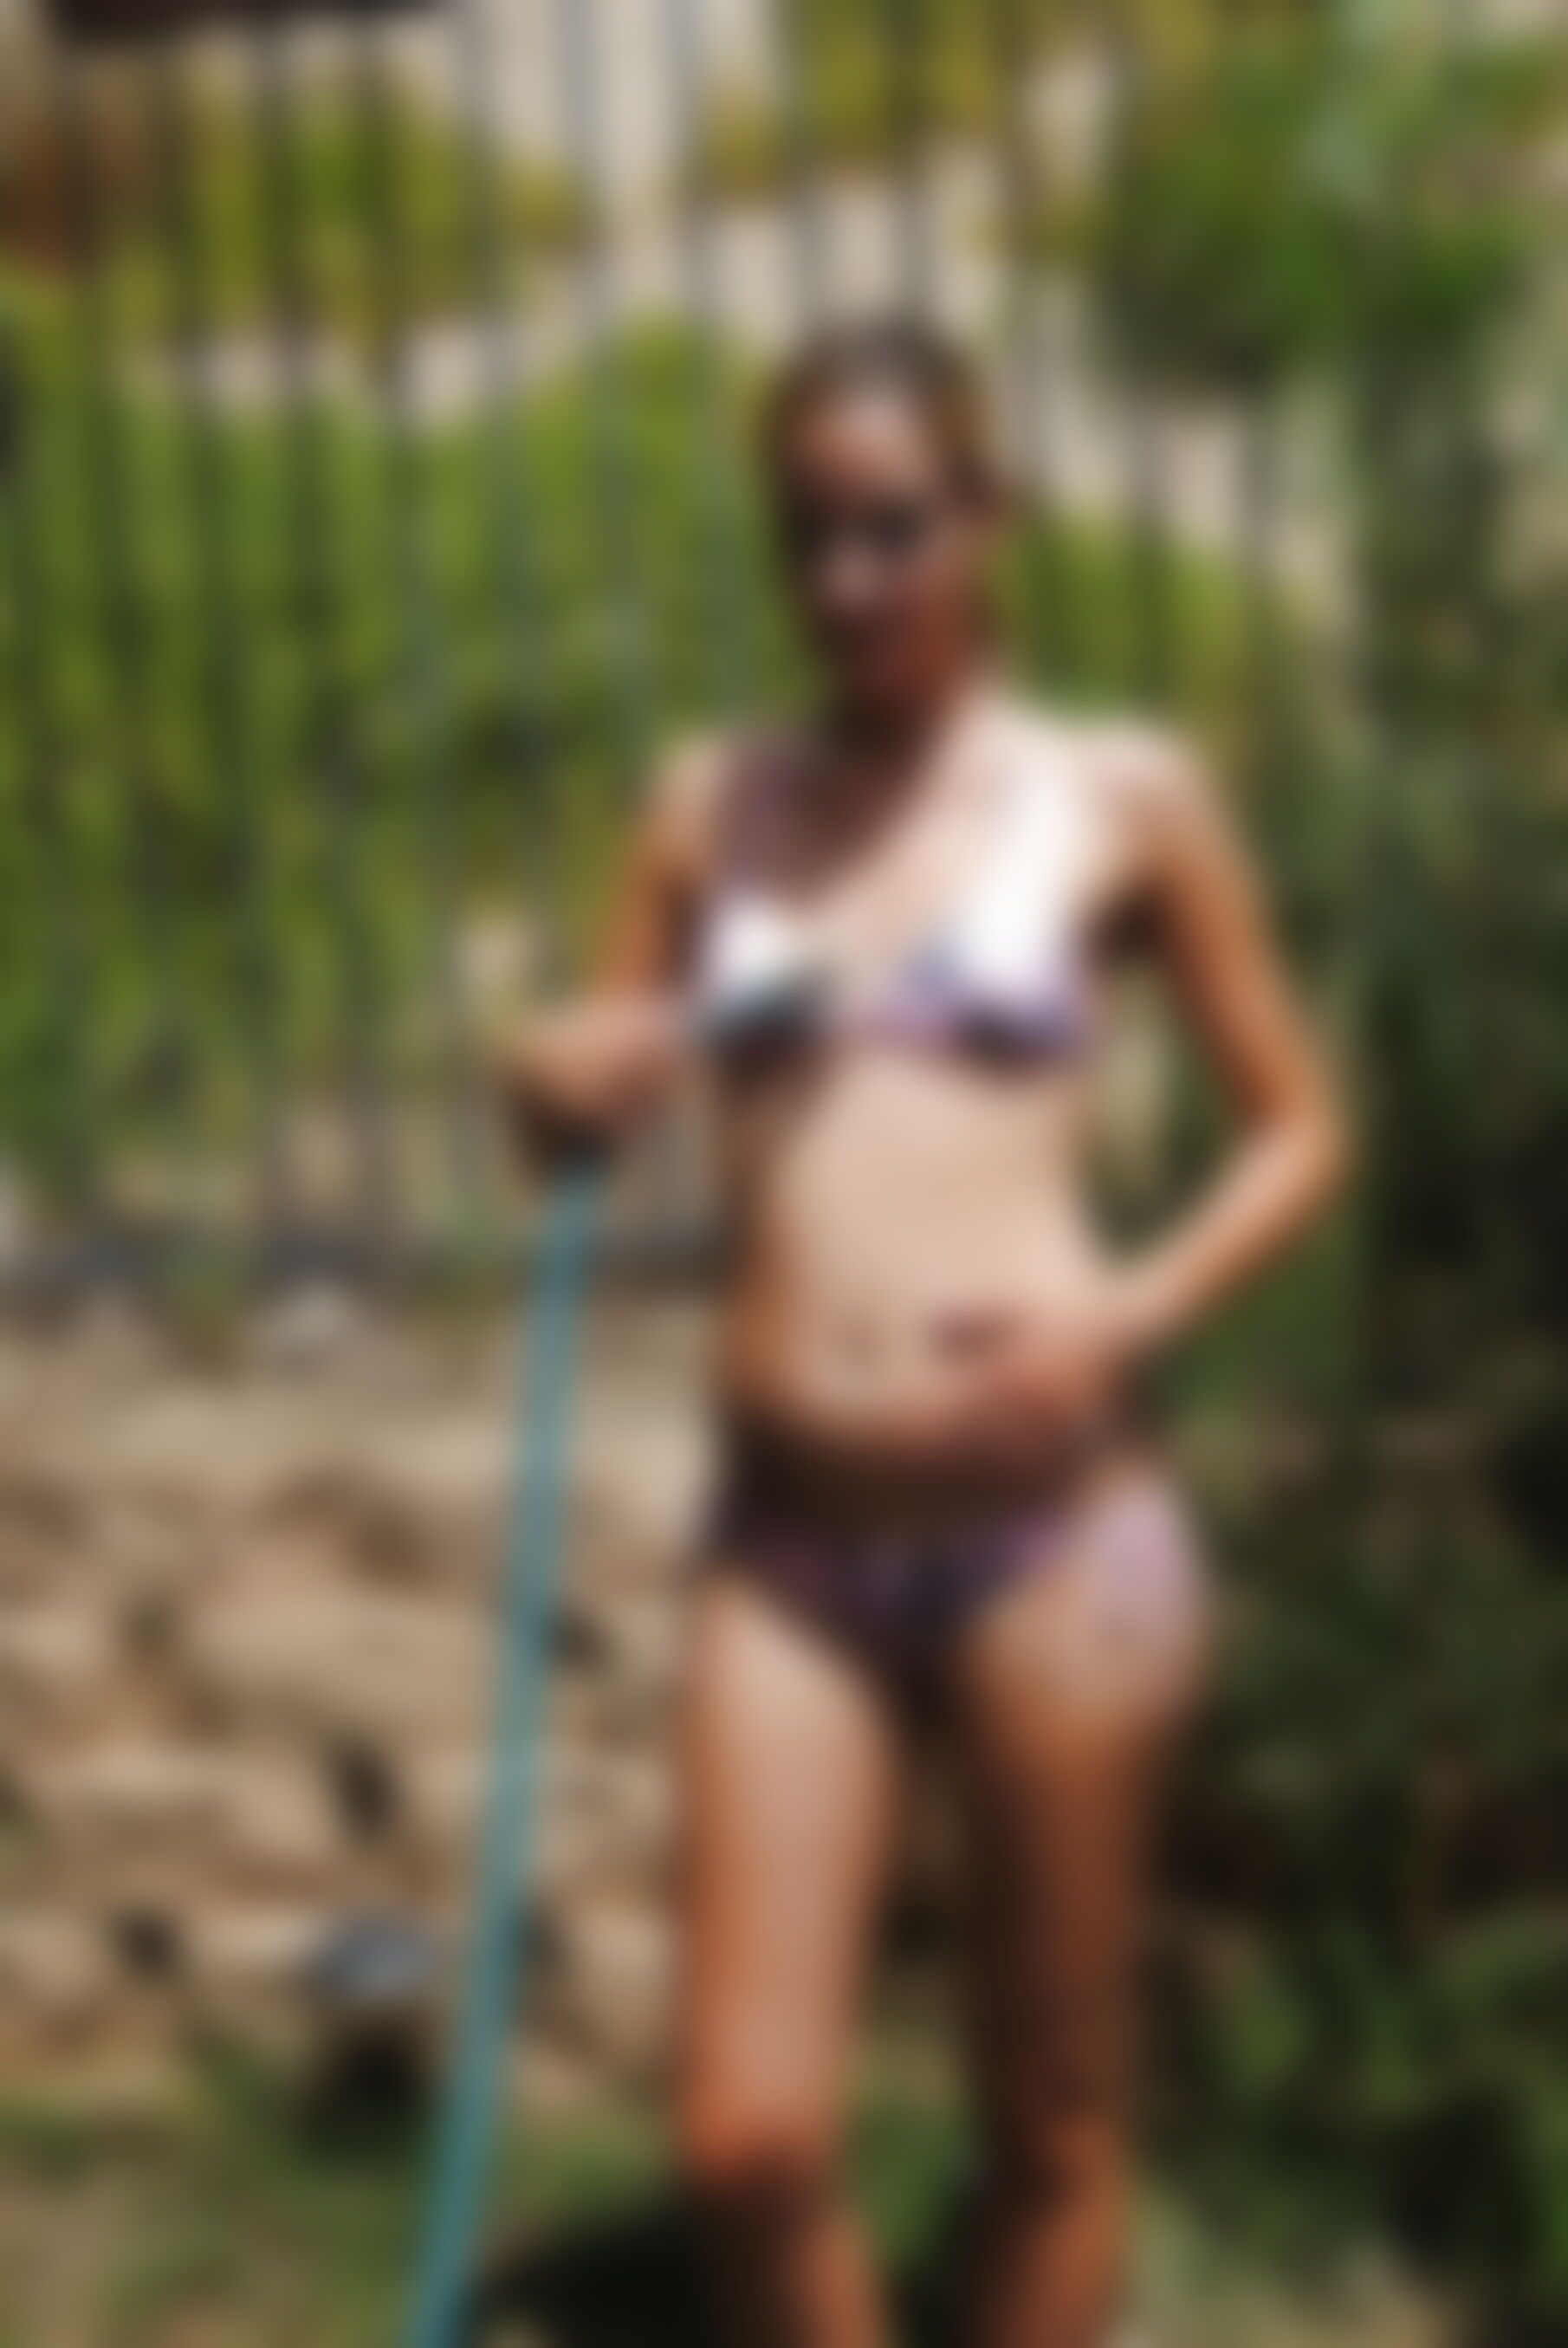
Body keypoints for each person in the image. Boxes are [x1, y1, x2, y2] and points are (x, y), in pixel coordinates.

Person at [504, 318, 1349, 2348]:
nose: (844, 579)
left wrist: (1128, 1309)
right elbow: (570, 1116)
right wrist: (537, 1070)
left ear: (986, 514)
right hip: (783, 1550)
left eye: (889, 527)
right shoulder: (709, 806)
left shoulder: (1119, 795)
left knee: (1048, 2120)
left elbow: (1299, 1124)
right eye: (804, 534)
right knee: (742, 2142)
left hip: (1058, 1541)